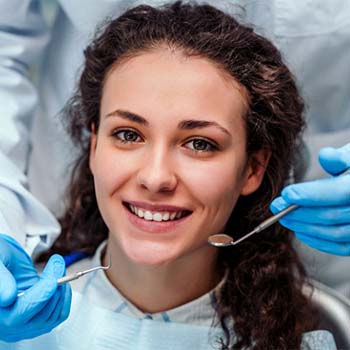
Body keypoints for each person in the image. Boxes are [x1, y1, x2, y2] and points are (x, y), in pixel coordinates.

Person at [0, 0, 349, 343]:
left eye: (199, 144)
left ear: (253, 168)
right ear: (93, 146)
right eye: (128, 134)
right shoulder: (17, 326)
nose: (155, 178)